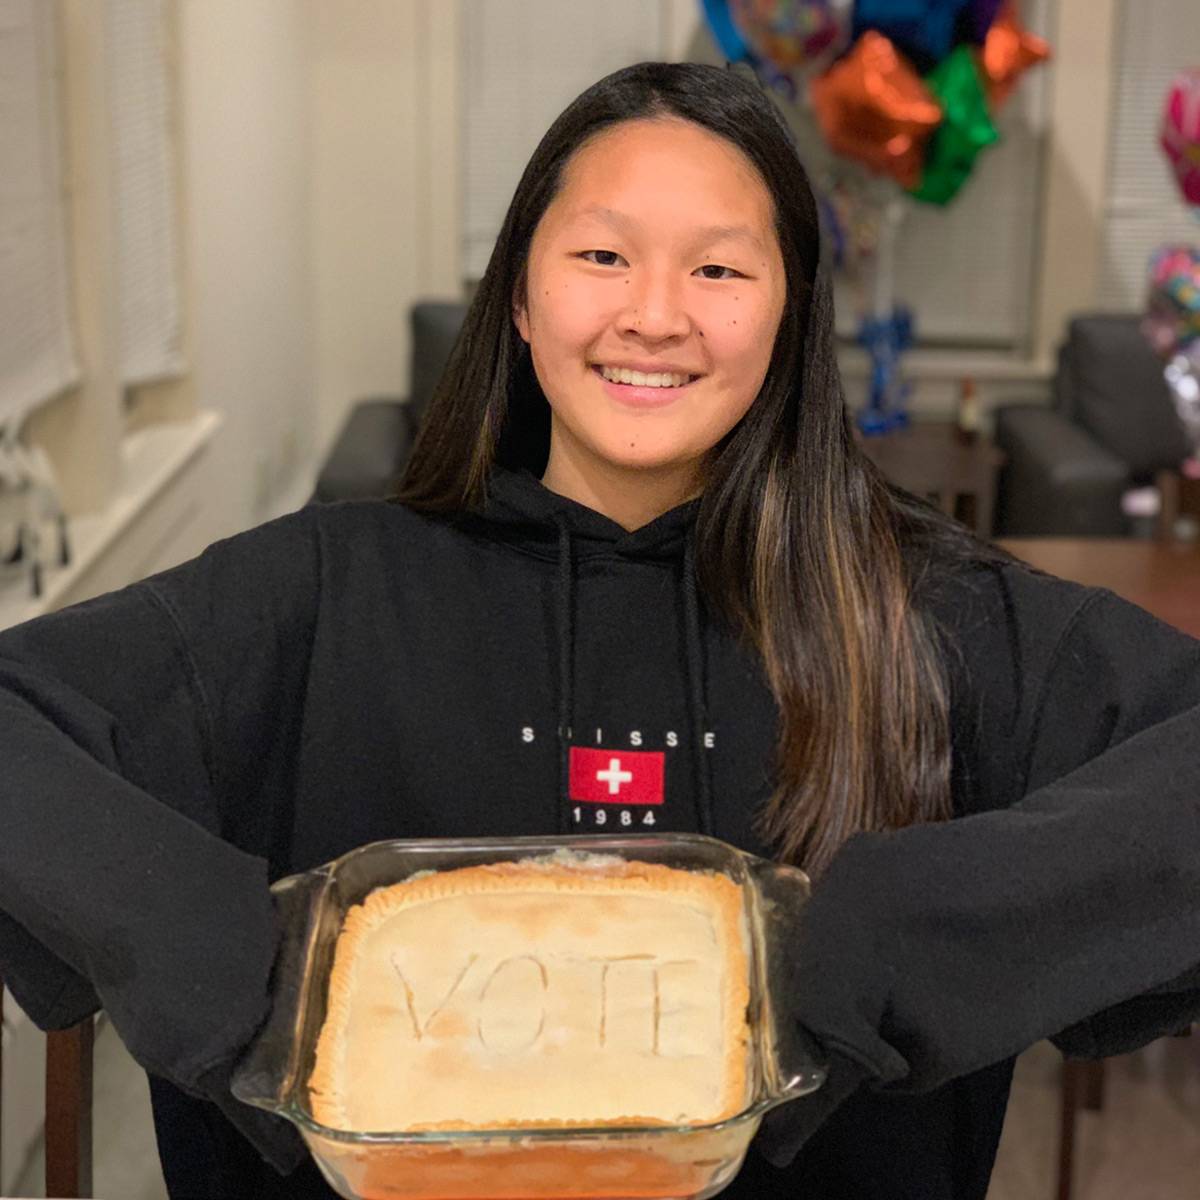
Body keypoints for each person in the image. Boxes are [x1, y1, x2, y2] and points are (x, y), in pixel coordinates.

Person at [0, 59, 1198, 1200]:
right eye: (602, 255)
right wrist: (209, 951)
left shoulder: (931, 615)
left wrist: (933, 920)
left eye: (721, 272)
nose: (656, 315)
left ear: (791, 314)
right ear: (520, 295)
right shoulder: (320, 591)